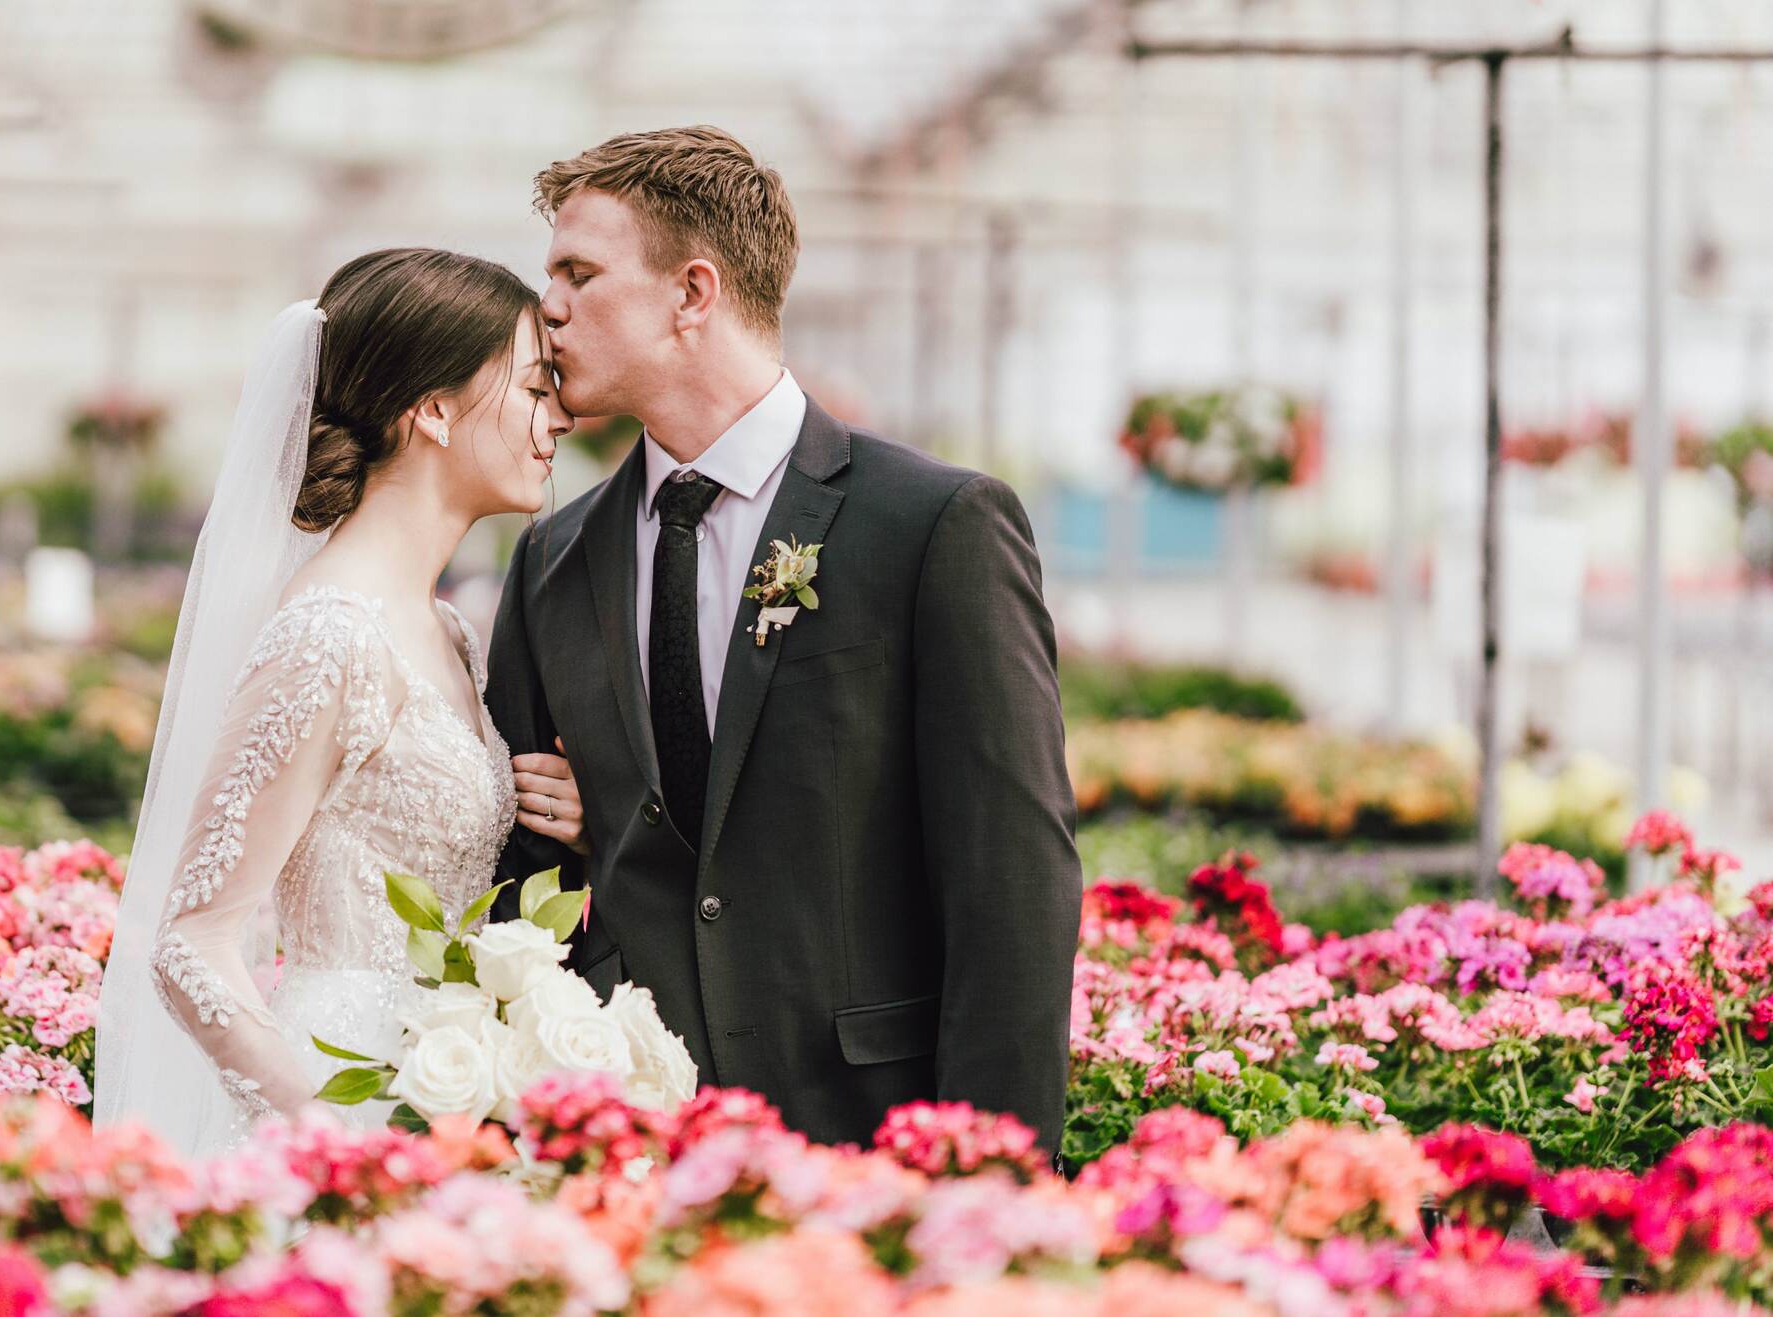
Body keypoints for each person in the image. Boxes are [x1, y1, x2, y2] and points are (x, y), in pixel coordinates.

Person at [484, 126, 1083, 1150]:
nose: (548, 308)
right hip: (623, 1143)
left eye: (580, 274)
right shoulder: (554, 558)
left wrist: (992, 1178)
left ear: (693, 293)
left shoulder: (933, 526)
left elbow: (1013, 882)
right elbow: (519, 880)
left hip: (865, 1132)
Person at [94, 249, 587, 1158]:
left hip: (445, 1093)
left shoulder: (449, 632)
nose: (556, 420)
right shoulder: (331, 635)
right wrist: (339, 1143)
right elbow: (190, 942)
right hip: (338, 1099)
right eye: (531, 388)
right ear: (433, 408)